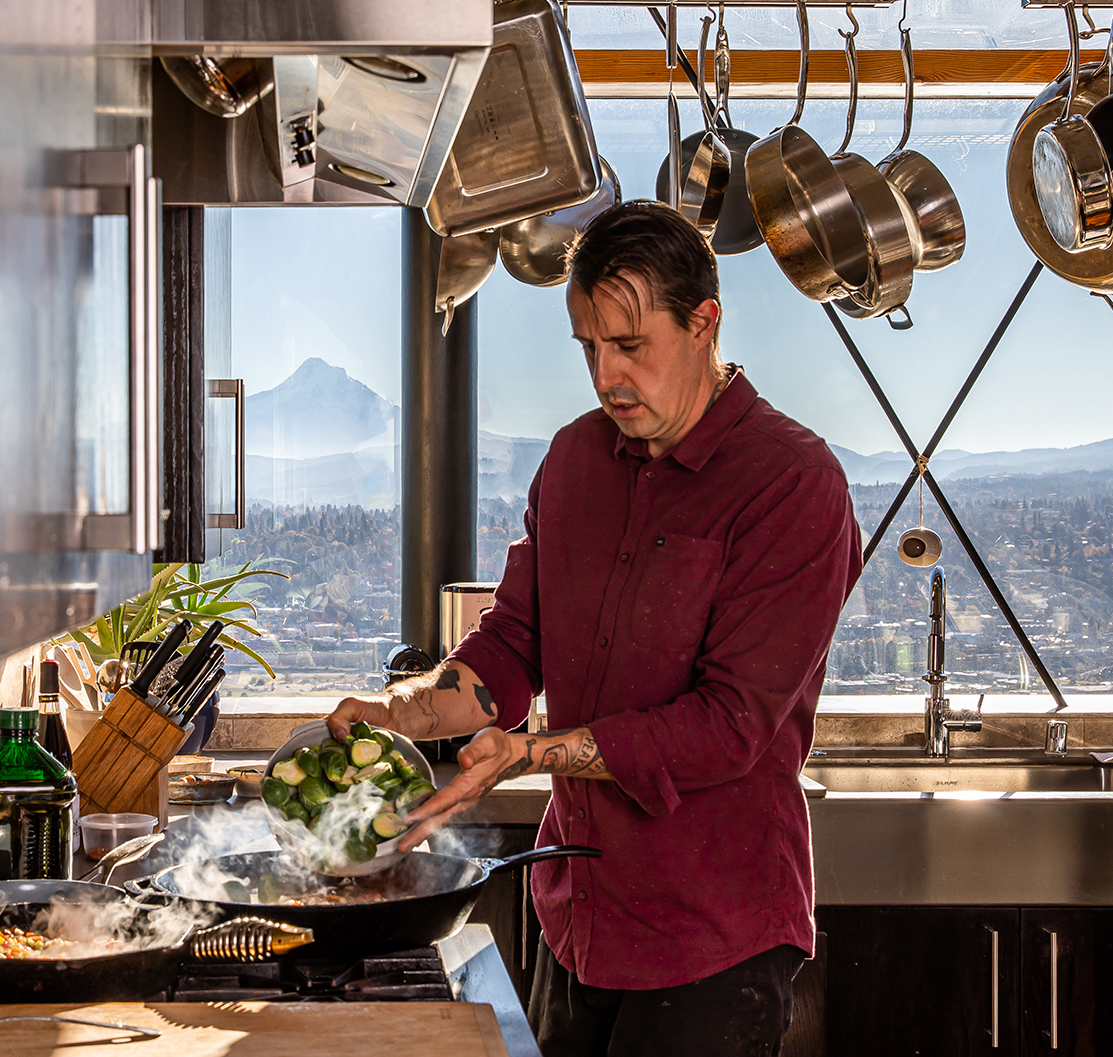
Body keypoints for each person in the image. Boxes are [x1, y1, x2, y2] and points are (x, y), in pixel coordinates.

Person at [326, 201, 863, 1056]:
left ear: (703, 324)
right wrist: (402, 712)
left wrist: (530, 753)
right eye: (589, 347)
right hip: (576, 917)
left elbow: (728, 728)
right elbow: (511, 646)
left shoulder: (793, 484)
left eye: (630, 345)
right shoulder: (576, 459)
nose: (607, 375)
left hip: (712, 939)